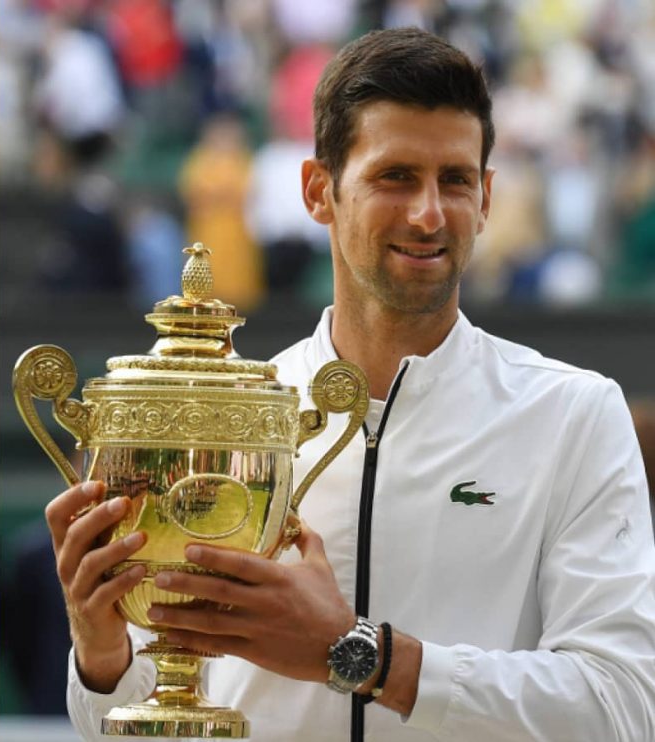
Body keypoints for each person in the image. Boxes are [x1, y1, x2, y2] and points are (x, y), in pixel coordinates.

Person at [52, 28, 655, 741]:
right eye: (395, 176)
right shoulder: (221, 418)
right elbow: (136, 721)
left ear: (488, 198)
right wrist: (102, 656)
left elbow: (622, 708)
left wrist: (364, 656)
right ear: (318, 192)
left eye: (455, 180)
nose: (429, 214)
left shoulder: (575, 414)